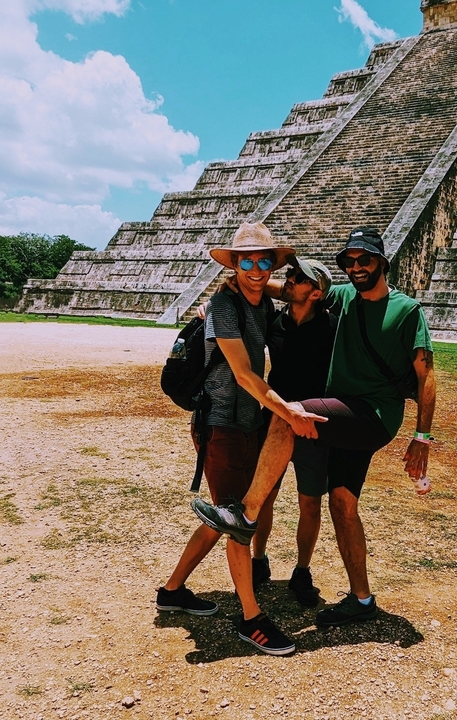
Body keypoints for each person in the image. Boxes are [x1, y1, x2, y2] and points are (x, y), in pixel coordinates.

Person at [193, 226, 438, 629]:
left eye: (365, 260)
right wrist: (232, 289)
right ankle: (362, 598)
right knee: (341, 504)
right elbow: (287, 290)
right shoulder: (341, 296)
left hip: (373, 415)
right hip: (344, 417)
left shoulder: (407, 310)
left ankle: (245, 512)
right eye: (349, 262)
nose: (356, 267)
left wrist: (422, 438)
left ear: (382, 262)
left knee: (292, 414)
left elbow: (426, 375)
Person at [155, 222, 326, 657]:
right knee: (237, 521)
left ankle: (173, 590)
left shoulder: (260, 301)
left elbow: (288, 293)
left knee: (226, 517)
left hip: (250, 424)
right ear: (233, 265)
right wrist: (287, 411)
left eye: (263, 261)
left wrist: (309, 288)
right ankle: (251, 619)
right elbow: (245, 375)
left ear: (271, 265)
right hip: (223, 425)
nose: (255, 268)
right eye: (245, 261)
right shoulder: (224, 307)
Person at [249, 257, 337, 609]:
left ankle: (302, 569)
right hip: (273, 420)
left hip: (310, 422)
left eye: (298, 277)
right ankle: (259, 560)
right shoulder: (275, 320)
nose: (289, 278)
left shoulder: (332, 327)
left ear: (316, 293)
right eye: (290, 272)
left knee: (310, 501)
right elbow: (252, 287)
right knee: (264, 495)